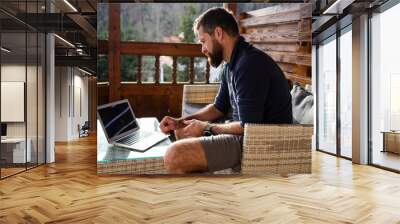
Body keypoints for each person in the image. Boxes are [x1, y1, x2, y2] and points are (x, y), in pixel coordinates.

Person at [159, 7, 292, 174]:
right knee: (182, 130)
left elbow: (248, 126)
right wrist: (181, 120)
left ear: (218, 33)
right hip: (243, 134)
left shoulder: (249, 64)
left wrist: (206, 128)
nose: (203, 49)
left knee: (174, 155)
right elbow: (218, 108)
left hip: (260, 141)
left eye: (203, 41)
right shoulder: (230, 64)